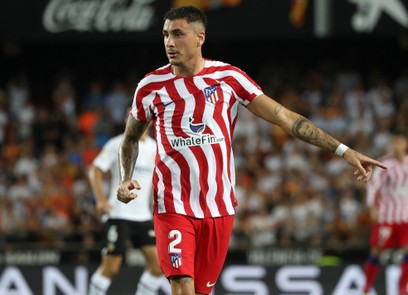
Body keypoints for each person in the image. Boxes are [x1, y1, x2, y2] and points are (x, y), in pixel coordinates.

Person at [116, 6, 387, 295]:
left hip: (218, 207)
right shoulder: (150, 86)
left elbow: (284, 117)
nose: (169, 42)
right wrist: (125, 177)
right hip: (172, 205)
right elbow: (130, 138)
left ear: (199, 37)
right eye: (166, 34)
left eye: (178, 34)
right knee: (182, 285)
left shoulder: (229, 78)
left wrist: (344, 150)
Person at [87, 126, 162, 295]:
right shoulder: (117, 143)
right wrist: (100, 200)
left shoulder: (156, 147)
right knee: (110, 269)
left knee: (158, 267)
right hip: (118, 214)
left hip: (143, 217)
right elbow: (96, 169)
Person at [362, 130, 408, 295]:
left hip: (405, 217)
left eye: (400, 141)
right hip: (386, 217)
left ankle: (403, 290)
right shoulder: (385, 163)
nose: (397, 145)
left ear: (405, 144)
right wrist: (372, 206)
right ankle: (366, 288)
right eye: (394, 142)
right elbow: (373, 186)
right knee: (376, 252)